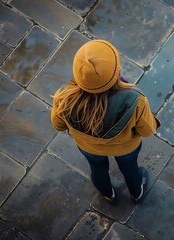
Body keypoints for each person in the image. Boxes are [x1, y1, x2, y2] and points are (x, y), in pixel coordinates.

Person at [50, 39, 160, 205]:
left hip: (89, 148)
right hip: (126, 148)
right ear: (116, 71)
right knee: (130, 170)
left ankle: (109, 195)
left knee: (98, 170)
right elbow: (146, 130)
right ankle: (137, 194)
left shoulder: (63, 98)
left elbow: (58, 125)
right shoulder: (135, 99)